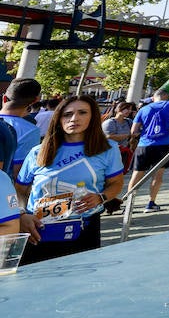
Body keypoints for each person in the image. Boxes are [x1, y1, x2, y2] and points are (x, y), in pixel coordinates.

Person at [15, 95, 125, 264]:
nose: (74, 118)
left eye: (82, 112)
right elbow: (19, 190)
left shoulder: (107, 149)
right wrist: (22, 215)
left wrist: (101, 197)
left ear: (93, 117)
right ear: (58, 118)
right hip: (38, 230)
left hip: (84, 229)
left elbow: (116, 184)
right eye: (67, 114)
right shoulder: (38, 151)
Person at [128, 88, 169, 212]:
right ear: (166, 96)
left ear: (154, 98)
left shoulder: (143, 109)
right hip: (164, 145)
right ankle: (151, 203)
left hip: (144, 145)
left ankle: (129, 205)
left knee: (137, 174)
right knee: (158, 175)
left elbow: (133, 131)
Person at [1, 80, 43, 177]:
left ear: (4, 98)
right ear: (36, 100)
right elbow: (20, 171)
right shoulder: (30, 131)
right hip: (6, 187)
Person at [102, 102, 136, 174]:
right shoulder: (110, 122)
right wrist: (128, 135)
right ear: (119, 109)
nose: (129, 111)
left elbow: (134, 134)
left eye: (130, 109)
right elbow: (108, 137)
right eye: (127, 109)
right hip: (111, 153)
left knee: (120, 174)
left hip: (124, 153)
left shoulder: (129, 122)